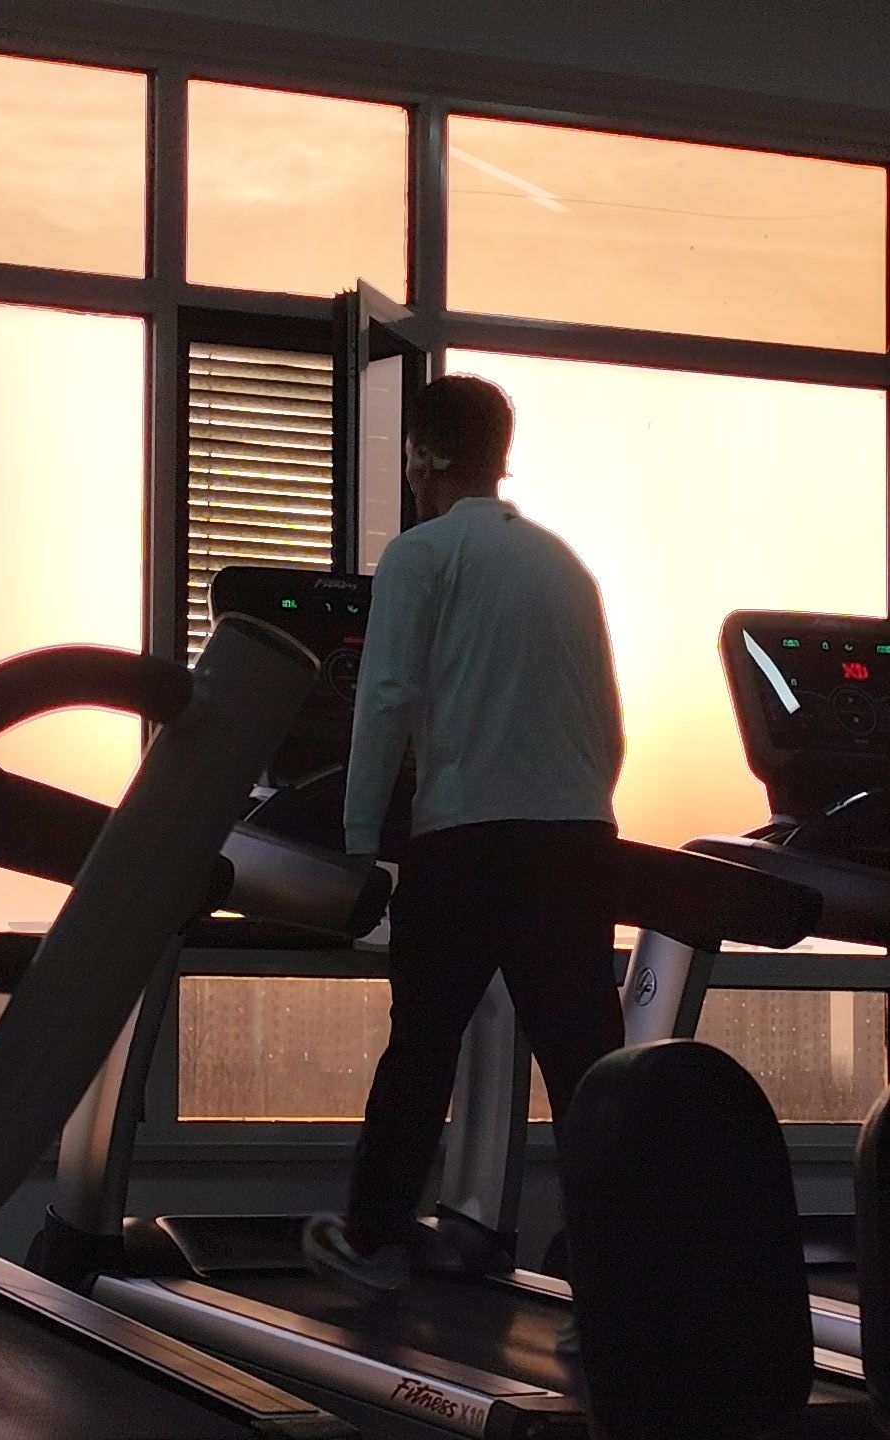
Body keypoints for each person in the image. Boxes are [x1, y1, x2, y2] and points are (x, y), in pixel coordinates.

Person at [302, 374, 626, 1305]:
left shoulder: (420, 554)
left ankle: (372, 1241)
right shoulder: (565, 565)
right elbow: (608, 726)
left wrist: (360, 836)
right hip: (576, 839)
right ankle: (620, 1281)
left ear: (423, 456)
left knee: (422, 1047)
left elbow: (387, 697)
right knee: (588, 1071)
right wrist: (576, 807)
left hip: (467, 842)